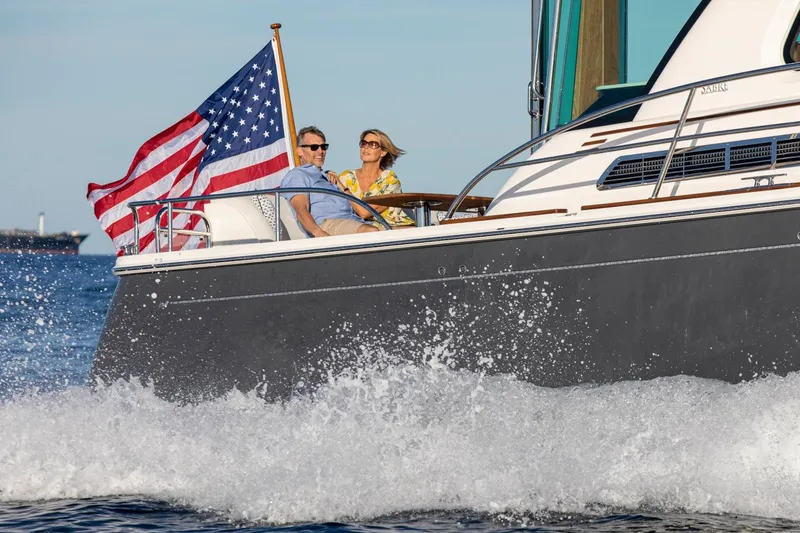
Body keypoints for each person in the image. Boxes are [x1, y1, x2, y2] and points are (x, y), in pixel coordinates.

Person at [280, 126, 379, 238]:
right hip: (328, 224)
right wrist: (318, 233)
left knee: (399, 231)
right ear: (300, 151)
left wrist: (338, 184)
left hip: (353, 222)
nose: (320, 151)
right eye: (314, 147)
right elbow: (301, 210)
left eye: (323, 147)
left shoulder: (329, 178)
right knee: (371, 233)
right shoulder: (298, 175)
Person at [333, 129, 415, 228]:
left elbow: (365, 213)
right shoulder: (346, 177)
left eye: (372, 144)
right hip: (363, 231)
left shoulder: (390, 180)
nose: (366, 148)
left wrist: (344, 189)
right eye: (363, 143)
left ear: (383, 152)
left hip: (395, 230)